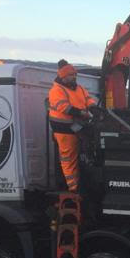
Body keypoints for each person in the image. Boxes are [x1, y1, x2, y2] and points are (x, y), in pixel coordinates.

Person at [48, 60, 98, 193]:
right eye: (71, 75)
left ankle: (84, 183)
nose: (74, 77)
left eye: (75, 74)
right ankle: (74, 188)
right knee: (68, 158)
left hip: (77, 126)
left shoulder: (78, 88)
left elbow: (88, 99)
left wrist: (93, 107)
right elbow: (64, 107)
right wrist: (82, 113)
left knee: (84, 153)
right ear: (63, 76)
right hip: (64, 129)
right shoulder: (56, 90)